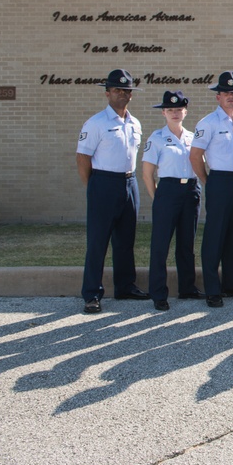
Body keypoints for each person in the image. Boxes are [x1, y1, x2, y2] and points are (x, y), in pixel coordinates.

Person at [76, 68, 147, 313]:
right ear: (107, 93)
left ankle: (125, 286)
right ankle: (92, 294)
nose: (122, 94)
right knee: (98, 241)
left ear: (131, 95)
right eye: (117, 89)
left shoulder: (135, 123)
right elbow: (83, 157)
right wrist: (92, 187)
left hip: (129, 182)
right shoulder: (96, 123)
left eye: (126, 90)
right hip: (103, 183)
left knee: (126, 240)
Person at [190, 71, 233, 308]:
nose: (230, 97)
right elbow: (195, 156)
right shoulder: (208, 123)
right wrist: (207, 180)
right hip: (218, 181)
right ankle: (212, 289)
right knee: (215, 236)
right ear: (218, 97)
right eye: (226, 93)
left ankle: (232, 284)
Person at [141, 90, 203, 311]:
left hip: (191, 191)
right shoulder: (156, 138)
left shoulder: (193, 136)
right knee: (161, 245)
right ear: (163, 113)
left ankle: (187, 288)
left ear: (185, 111)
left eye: (179, 109)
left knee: (186, 243)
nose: (175, 113)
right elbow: (147, 173)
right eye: (170, 110)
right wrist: (158, 198)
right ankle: (158, 293)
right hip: (167, 190)